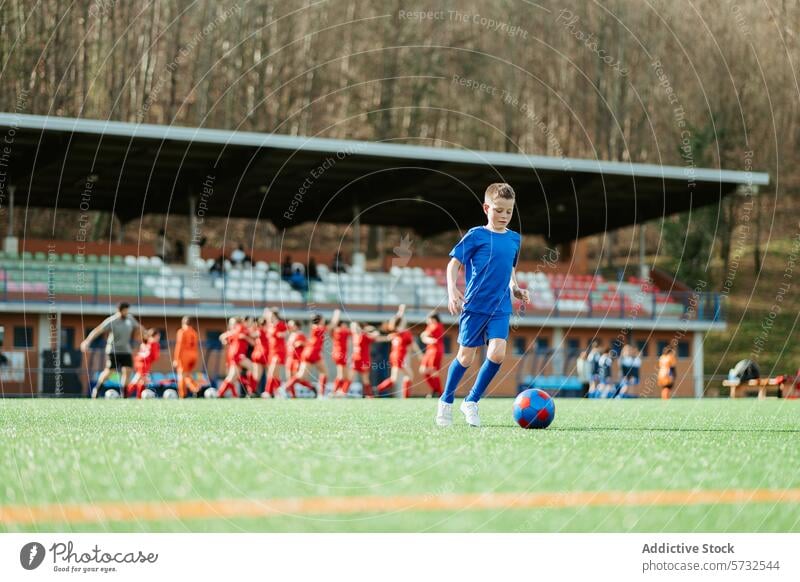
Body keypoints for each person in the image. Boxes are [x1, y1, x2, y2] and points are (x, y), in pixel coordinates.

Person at [436, 183, 530, 427]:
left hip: (500, 307)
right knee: (466, 358)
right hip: (475, 306)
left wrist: (515, 288)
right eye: (498, 210)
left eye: (508, 211)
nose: (504, 216)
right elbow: (453, 264)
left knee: (498, 353)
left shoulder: (514, 239)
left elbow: (509, 268)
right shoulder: (476, 235)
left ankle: (472, 401)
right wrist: (452, 289)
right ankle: (446, 401)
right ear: (486, 208)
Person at [81, 302, 142, 398]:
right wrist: (87, 341)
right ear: (120, 311)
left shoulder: (130, 319)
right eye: (125, 310)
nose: (126, 312)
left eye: (127, 310)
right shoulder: (112, 321)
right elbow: (98, 330)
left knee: (128, 371)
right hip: (113, 350)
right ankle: (97, 389)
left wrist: (147, 334)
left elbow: (140, 328)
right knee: (110, 371)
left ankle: (124, 395)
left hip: (126, 350)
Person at [284, 310, 341, 397]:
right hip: (313, 352)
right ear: (321, 320)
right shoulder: (319, 327)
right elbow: (332, 325)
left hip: (309, 352)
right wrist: (336, 314)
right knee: (324, 373)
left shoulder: (314, 327)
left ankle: (284, 388)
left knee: (302, 375)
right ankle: (321, 395)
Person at [375, 304, 422, 398]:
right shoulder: (404, 332)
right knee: (409, 376)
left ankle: (376, 390)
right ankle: (406, 398)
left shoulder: (395, 331)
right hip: (399, 357)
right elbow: (413, 345)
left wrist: (401, 311)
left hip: (394, 356)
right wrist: (419, 354)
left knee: (394, 379)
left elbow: (398, 319)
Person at [217, 318, 257, 397]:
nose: (250, 324)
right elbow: (253, 335)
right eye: (250, 322)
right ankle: (251, 391)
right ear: (245, 321)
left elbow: (223, 337)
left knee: (232, 376)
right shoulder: (241, 327)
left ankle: (219, 393)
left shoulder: (239, 330)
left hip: (234, 355)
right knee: (253, 368)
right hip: (237, 355)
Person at [127, 329, 161, 398]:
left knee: (141, 380)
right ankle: (126, 393)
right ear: (155, 336)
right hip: (144, 363)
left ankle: (137, 396)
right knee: (139, 380)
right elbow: (155, 356)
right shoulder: (154, 343)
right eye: (158, 336)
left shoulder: (145, 342)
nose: (159, 338)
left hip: (139, 362)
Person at [418, 311, 445, 397]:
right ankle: (435, 390)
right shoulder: (430, 326)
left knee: (433, 370)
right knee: (423, 370)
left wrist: (426, 338)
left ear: (433, 319)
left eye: (428, 319)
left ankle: (440, 393)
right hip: (429, 350)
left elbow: (424, 336)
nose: (427, 320)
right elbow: (423, 336)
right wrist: (426, 338)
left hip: (436, 350)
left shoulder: (437, 326)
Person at [263, 307, 289, 398]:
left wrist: (281, 334)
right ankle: (279, 392)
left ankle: (268, 392)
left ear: (274, 315)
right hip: (271, 352)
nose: (269, 317)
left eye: (270, 315)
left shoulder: (280, 324)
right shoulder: (270, 325)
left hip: (279, 351)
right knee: (275, 374)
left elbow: (287, 331)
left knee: (271, 372)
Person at [350, 321, 380, 397]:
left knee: (365, 379)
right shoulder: (354, 335)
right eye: (352, 327)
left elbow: (376, 336)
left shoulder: (364, 335)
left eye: (355, 327)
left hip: (364, 360)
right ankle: (342, 393)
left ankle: (369, 395)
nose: (353, 329)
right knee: (350, 377)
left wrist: (372, 329)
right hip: (355, 359)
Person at [173, 316, 200, 398]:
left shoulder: (182, 331)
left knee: (181, 375)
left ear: (183, 322)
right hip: (194, 356)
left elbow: (179, 346)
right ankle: (195, 388)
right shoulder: (194, 332)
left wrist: (176, 359)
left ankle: (183, 394)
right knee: (187, 374)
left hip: (185, 356)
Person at [285, 320, 306, 397]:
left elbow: (307, 344)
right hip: (289, 359)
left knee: (296, 378)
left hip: (297, 360)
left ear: (296, 326)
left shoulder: (300, 334)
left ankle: (311, 387)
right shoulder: (291, 335)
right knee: (289, 377)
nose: (289, 327)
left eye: (291, 325)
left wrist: (301, 343)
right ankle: (293, 395)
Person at [331, 318, 351, 396]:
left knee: (346, 376)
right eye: (345, 324)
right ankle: (334, 392)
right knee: (341, 375)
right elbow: (353, 332)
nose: (346, 326)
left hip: (338, 354)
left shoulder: (335, 331)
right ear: (341, 324)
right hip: (340, 354)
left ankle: (342, 392)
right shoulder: (342, 331)